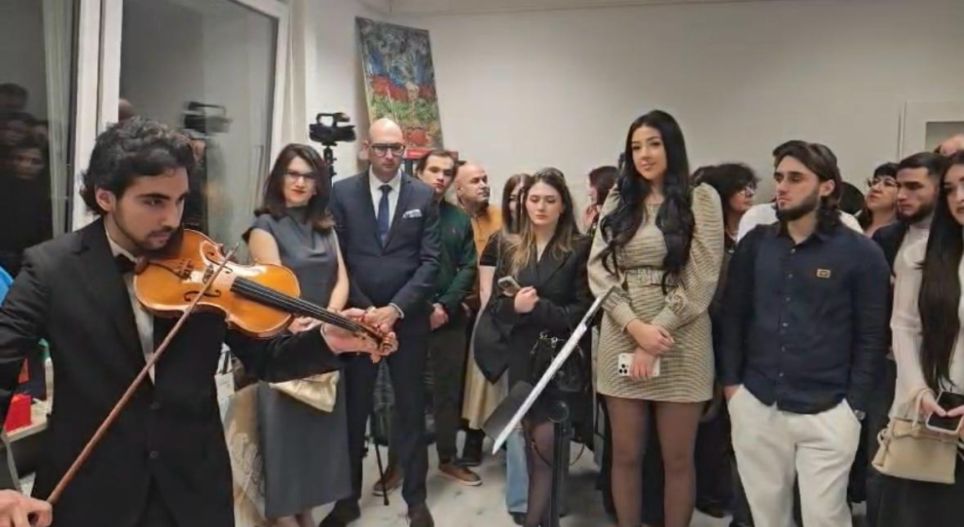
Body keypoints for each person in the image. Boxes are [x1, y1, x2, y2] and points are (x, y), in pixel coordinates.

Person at [0, 117, 389, 527]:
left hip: (194, 494)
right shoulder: (50, 269)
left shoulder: (206, 264)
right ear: (105, 197)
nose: (172, 219)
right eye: (153, 202)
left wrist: (329, 338)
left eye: (180, 200)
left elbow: (267, 358)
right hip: (90, 496)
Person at [720, 140, 889, 527]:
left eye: (795, 178)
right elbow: (733, 318)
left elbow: (871, 336)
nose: (781, 187)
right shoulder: (755, 245)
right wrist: (733, 389)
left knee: (824, 517)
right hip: (758, 402)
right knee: (767, 517)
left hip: (829, 408)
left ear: (826, 186)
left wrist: (854, 408)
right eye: (779, 177)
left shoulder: (861, 253)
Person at [588, 110, 724, 527]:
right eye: (635, 147)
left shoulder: (701, 198)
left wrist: (658, 329)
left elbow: (703, 276)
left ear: (672, 146)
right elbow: (598, 269)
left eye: (653, 144)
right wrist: (634, 327)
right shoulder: (619, 198)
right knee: (625, 453)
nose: (644, 154)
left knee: (678, 458)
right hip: (622, 332)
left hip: (681, 337)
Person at [323, 118, 440, 527]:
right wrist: (367, 310)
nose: (389, 156)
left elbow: (431, 262)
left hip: (407, 321)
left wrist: (394, 310)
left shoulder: (423, 195)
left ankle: (416, 500)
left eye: (396, 148)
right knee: (354, 413)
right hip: (358, 321)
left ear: (405, 150)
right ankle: (346, 500)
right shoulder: (342, 193)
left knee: (410, 411)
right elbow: (337, 258)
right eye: (381, 148)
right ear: (366, 149)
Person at [476, 168, 592, 527]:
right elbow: (496, 307)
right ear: (524, 203)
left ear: (563, 206)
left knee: (545, 450)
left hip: (558, 359)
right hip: (522, 357)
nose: (541, 207)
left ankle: (536, 521)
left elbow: (582, 312)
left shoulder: (579, 248)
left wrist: (536, 308)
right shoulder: (511, 246)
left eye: (550, 200)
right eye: (535, 199)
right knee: (529, 446)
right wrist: (514, 306)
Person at [244, 144, 352, 527]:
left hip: (323, 339)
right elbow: (272, 291)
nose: (300, 182)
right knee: (286, 445)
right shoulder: (264, 227)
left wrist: (328, 320)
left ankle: (305, 515)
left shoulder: (325, 225)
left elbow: (341, 279)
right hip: (285, 343)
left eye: (309, 176)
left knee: (315, 445)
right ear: (279, 178)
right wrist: (304, 322)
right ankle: (288, 519)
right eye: (293, 173)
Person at [380, 149, 481, 492]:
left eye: (447, 172)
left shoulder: (459, 219)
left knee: (447, 394)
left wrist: (445, 306)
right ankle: (397, 465)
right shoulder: (401, 215)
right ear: (418, 173)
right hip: (408, 318)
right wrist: (423, 308)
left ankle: (448, 458)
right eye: (434, 170)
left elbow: (468, 267)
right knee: (403, 395)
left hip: (448, 320)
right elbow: (396, 267)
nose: (440, 177)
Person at [876, 150, 964, 526]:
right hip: (930, 415)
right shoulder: (919, 256)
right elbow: (904, 327)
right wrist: (918, 391)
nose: (959, 197)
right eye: (950, 189)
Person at [864, 151, 943, 526]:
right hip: (888, 363)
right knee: (883, 459)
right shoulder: (887, 237)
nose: (902, 195)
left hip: (942, 368)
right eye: (900, 186)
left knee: (938, 467)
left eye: (914, 187)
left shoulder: (948, 240)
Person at [690, 163, 758, 524]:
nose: (749, 193)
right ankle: (711, 491)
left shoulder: (755, 235)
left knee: (741, 423)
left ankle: (734, 492)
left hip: (747, 338)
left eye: (751, 187)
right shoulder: (706, 236)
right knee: (711, 421)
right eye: (740, 187)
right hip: (709, 333)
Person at [455, 161, 504, 466]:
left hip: (492, 308)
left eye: (485, 179)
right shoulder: (450, 218)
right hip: (457, 308)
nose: (484, 185)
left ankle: (487, 434)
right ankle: (469, 434)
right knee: (462, 382)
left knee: (488, 377)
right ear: (458, 188)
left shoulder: (500, 217)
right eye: (475, 181)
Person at [859, 162, 899, 237]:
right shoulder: (852, 224)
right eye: (874, 182)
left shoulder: (904, 234)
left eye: (888, 184)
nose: (875, 188)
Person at [583, 165, 618, 236]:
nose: (589, 193)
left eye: (591, 185)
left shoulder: (619, 216)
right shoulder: (596, 215)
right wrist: (588, 227)